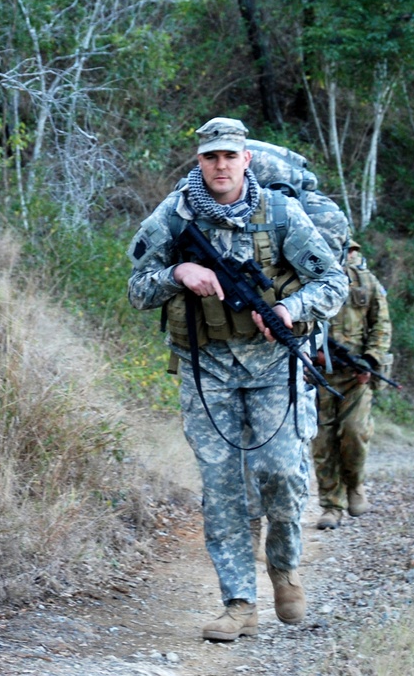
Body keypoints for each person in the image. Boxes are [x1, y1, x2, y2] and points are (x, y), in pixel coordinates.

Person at [127, 117, 348, 642]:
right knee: (222, 488)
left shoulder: (281, 212)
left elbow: (331, 281)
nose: (221, 165)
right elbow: (137, 289)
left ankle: (284, 569)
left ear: (246, 159)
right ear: (199, 161)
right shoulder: (175, 215)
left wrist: (291, 309)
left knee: (282, 473)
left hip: (275, 367)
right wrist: (177, 274)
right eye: (211, 157)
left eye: (230, 155)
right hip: (208, 369)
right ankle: (238, 603)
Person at [313, 239, 392, 530]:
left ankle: (355, 485)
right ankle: (331, 506)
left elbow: (381, 324)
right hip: (317, 376)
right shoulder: (307, 277)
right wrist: (312, 354)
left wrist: (370, 360)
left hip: (355, 376)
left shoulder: (365, 280)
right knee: (323, 443)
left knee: (355, 433)